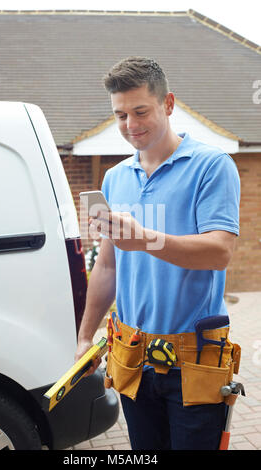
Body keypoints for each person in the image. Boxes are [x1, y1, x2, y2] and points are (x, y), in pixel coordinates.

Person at [75, 57, 240, 450]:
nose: (130, 125)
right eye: (120, 115)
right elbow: (107, 265)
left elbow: (219, 252)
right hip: (132, 357)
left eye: (140, 111)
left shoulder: (212, 166)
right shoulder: (114, 178)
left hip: (193, 361)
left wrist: (147, 238)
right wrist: (84, 337)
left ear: (168, 104)